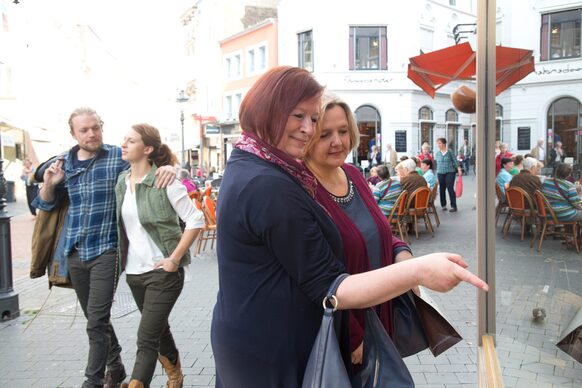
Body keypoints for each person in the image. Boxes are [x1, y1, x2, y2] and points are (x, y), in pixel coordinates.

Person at [210, 66, 488, 388]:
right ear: (268, 110)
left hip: (287, 333)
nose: (308, 129)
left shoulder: (262, 165)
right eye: (301, 118)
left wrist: (404, 257)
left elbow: (378, 232)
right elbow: (329, 284)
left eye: (313, 120)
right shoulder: (275, 184)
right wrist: (418, 272)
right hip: (275, 348)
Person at [34, 107, 176, 388]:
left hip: (107, 250)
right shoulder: (64, 163)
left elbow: (151, 166)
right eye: (84, 130)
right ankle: (116, 366)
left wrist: (171, 167)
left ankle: (93, 380)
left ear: (101, 126)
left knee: (97, 319)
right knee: (94, 318)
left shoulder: (117, 157)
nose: (91, 134)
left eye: (95, 127)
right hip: (74, 251)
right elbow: (46, 203)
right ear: (73, 134)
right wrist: (49, 184)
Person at [304, 94, 413, 366]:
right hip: (343, 328)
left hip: (380, 310)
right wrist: (353, 335)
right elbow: (311, 276)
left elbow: (377, 230)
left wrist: (401, 252)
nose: (337, 142)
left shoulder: (353, 174)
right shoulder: (303, 190)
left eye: (342, 131)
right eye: (325, 134)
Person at [116, 123, 205, 388]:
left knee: (145, 337)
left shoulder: (165, 181)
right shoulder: (121, 182)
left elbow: (196, 219)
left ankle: (137, 383)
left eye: (130, 141)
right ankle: (175, 375)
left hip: (164, 274)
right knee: (157, 330)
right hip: (134, 274)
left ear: (148, 149)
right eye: (124, 139)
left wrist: (174, 259)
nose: (123, 144)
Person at [434, 137, 462, 212]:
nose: (438, 145)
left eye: (439, 143)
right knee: (442, 189)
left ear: (444, 143)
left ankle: (453, 206)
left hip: (450, 172)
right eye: (438, 143)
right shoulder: (437, 154)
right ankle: (443, 205)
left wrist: (459, 169)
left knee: (450, 188)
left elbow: (455, 160)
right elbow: (438, 164)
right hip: (440, 173)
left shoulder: (450, 151)